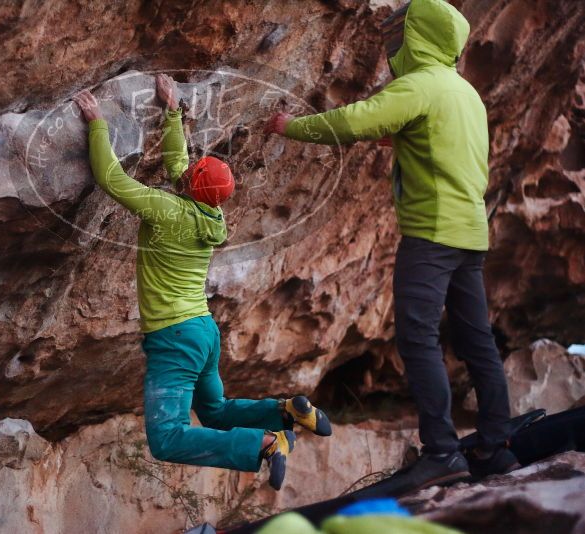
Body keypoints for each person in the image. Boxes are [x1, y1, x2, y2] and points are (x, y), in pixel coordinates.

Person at [264, 0, 517, 493]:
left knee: (418, 339)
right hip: (470, 234)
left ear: (417, 35)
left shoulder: (418, 85)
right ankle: (496, 446)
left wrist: (290, 127)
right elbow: (437, 141)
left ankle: (442, 453)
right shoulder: (466, 95)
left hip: (431, 234)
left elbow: (357, 121)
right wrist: (399, 139)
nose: (393, 39)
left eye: (402, 29)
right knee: (476, 340)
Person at [73, 74, 331, 490]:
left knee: (167, 437)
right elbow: (179, 167)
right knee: (214, 410)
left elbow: (111, 179)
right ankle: (285, 412)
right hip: (203, 331)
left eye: (192, 171)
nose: (186, 169)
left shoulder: (166, 209)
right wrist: (172, 110)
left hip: (175, 337)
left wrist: (96, 122)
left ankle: (266, 443)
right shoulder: (212, 215)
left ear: (193, 185)